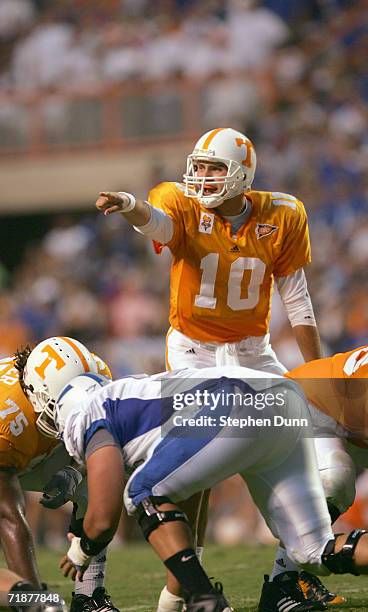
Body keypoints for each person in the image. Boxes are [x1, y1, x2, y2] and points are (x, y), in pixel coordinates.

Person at [95, 126, 325, 608]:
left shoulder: (283, 214)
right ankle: (183, 584)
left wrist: (319, 371)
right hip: (193, 351)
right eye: (197, 166)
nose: (200, 178)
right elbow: (156, 221)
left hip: (254, 350)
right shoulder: (178, 201)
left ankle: (292, 572)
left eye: (213, 169)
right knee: (192, 466)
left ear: (242, 175)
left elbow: (297, 300)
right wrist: (130, 204)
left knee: (296, 447)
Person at [22, 360, 368, 612]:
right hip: (283, 398)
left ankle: (208, 602)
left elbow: (104, 514)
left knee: (141, 493)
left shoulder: (85, 412)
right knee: (313, 550)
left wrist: (82, 550)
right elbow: (186, 487)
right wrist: (173, 593)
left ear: (51, 397)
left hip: (236, 401)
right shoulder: (128, 394)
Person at [258, 332, 368, 608]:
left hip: (361, 421)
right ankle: (283, 581)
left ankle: (284, 582)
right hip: (308, 404)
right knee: (334, 480)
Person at [0, 337, 117, 612]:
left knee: (100, 481)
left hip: (35, 442)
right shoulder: (7, 419)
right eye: (60, 406)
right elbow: (8, 517)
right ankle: (29, 601)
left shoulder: (98, 374)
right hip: (11, 447)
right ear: (36, 393)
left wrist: (75, 472)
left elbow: (106, 444)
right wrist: (36, 602)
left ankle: (89, 595)